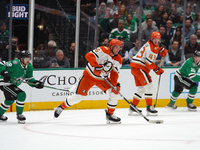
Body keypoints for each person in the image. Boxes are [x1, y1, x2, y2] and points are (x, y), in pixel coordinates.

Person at [54, 39, 122, 124]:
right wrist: (96, 65)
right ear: (111, 46)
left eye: (119, 47)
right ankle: (61, 107)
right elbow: (88, 55)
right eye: (116, 47)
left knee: (115, 92)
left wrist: (114, 85)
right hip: (89, 76)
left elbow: (114, 74)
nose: (118, 49)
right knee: (78, 97)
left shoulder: (118, 59)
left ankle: (110, 115)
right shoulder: (103, 50)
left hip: (102, 79)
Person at [129, 31, 168, 116]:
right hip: (140, 68)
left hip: (135, 67)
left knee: (141, 88)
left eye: (158, 39)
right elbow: (148, 64)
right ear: (151, 38)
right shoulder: (151, 49)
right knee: (149, 86)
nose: (156, 41)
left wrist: (160, 49)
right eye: (155, 39)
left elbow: (154, 49)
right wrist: (157, 69)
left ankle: (133, 106)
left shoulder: (150, 44)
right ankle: (149, 108)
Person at [0, 50, 44, 123]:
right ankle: (19, 115)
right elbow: (1, 64)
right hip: (4, 83)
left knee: (9, 100)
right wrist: (4, 72)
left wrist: (35, 83)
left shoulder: (29, 66)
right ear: (21, 59)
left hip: (12, 84)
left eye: (29, 58)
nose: (28, 60)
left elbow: (29, 79)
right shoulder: (15, 63)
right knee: (21, 94)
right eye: (26, 59)